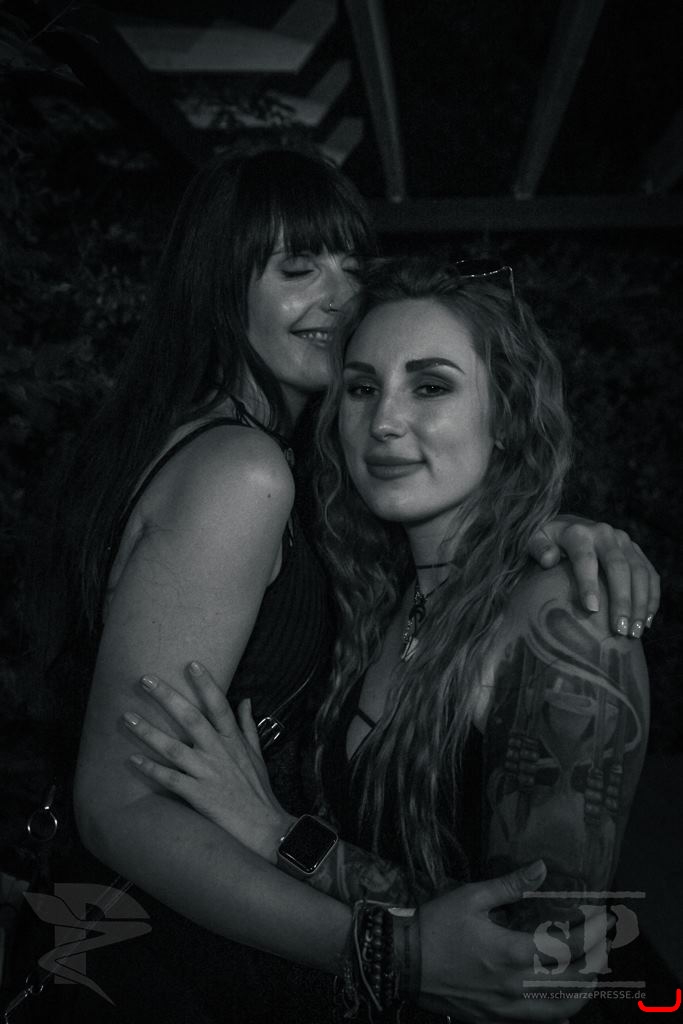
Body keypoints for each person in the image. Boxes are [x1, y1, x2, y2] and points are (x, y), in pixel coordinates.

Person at [37, 146, 656, 1024]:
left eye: (351, 265)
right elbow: (119, 801)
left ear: (507, 416)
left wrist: (539, 535)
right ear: (219, 287)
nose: (336, 295)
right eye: (297, 268)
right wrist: (386, 948)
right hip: (168, 963)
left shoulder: (367, 541)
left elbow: (543, 966)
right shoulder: (247, 473)